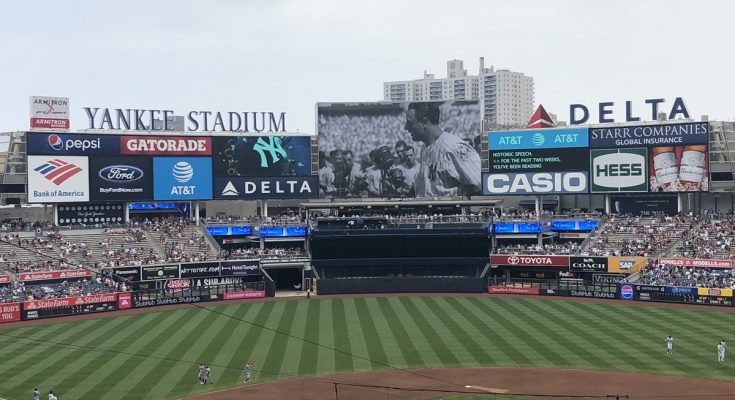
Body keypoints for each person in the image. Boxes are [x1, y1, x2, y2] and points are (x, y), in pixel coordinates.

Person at [404, 102, 481, 197]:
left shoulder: (452, 146)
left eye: (410, 123)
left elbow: (481, 183)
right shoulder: (424, 149)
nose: (406, 127)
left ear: (424, 122)